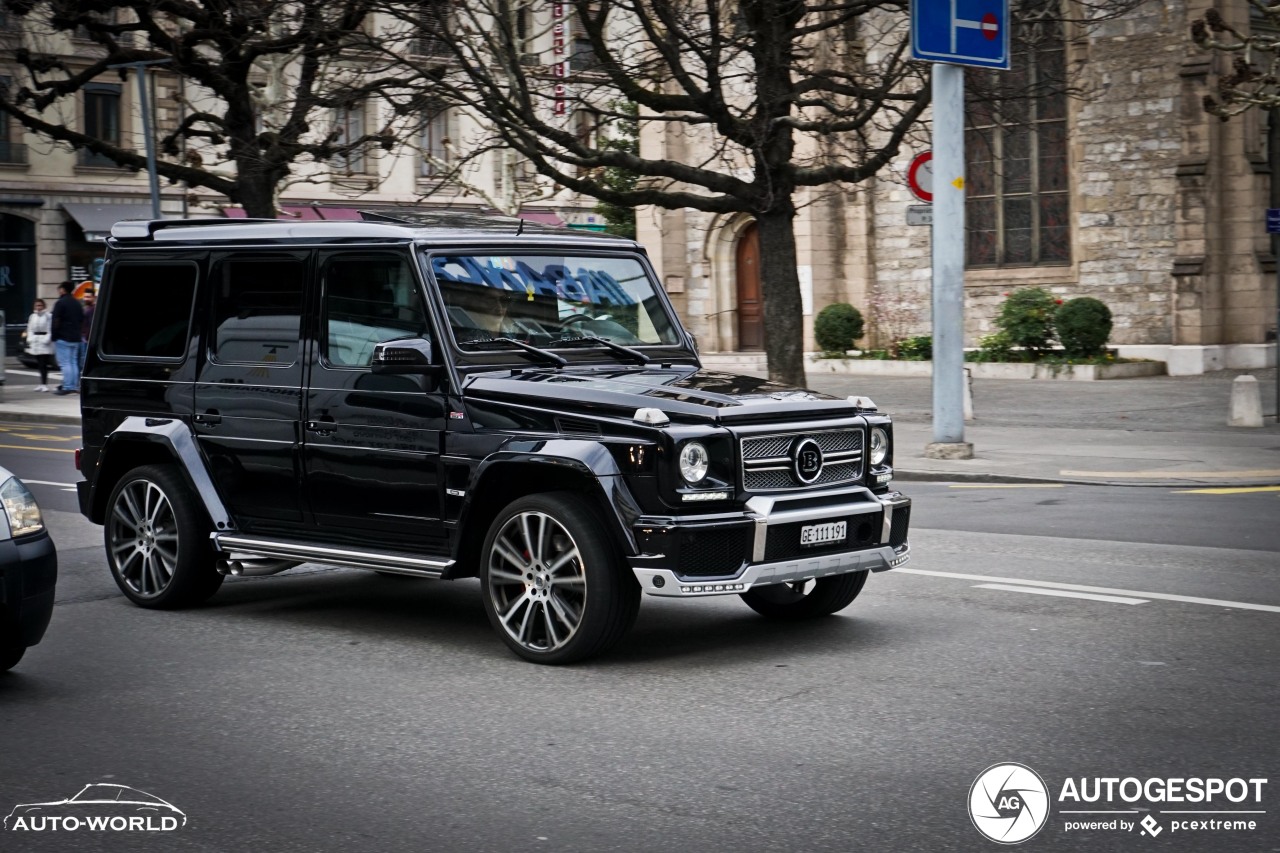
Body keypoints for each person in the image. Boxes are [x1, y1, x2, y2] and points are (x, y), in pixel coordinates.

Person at [51, 281, 84, 396]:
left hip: (63, 337)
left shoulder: (60, 303)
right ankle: (74, 385)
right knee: (73, 362)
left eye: (59, 289)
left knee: (65, 363)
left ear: (63, 290)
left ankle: (67, 386)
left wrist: (54, 335)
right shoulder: (77, 303)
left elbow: (55, 320)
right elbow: (81, 319)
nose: (59, 291)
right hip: (76, 337)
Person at [24, 299, 54, 392]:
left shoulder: (48, 316)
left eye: (40, 305)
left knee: (44, 364)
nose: (38, 307)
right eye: (37, 305)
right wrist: (30, 339)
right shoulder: (32, 316)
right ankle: (41, 384)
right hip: (35, 341)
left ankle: (44, 384)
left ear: (44, 306)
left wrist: (46, 340)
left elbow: (50, 329)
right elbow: (30, 329)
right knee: (39, 364)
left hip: (44, 341)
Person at [78, 288, 95, 370]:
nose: (86, 299)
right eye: (85, 297)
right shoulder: (85, 308)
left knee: (84, 361)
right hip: (82, 338)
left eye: (88, 297)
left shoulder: (93, 309)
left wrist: (87, 338)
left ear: (93, 297)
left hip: (86, 339)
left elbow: (91, 324)